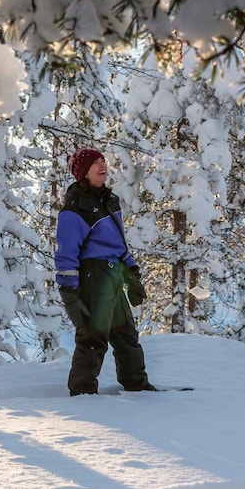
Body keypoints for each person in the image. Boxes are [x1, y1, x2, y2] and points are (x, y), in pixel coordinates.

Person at [54, 148, 154, 396]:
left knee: (126, 335)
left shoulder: (110, 202)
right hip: (93, 275)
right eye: (95, 162)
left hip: (113, 274)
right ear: (82, 172)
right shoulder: (75, 209)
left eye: (103, 160)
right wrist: (69, 293)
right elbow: (66, 254)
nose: (102, 165)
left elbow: (119, 244)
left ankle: (137, 386)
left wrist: (132, 275)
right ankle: (83, 393)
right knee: (93, 336)